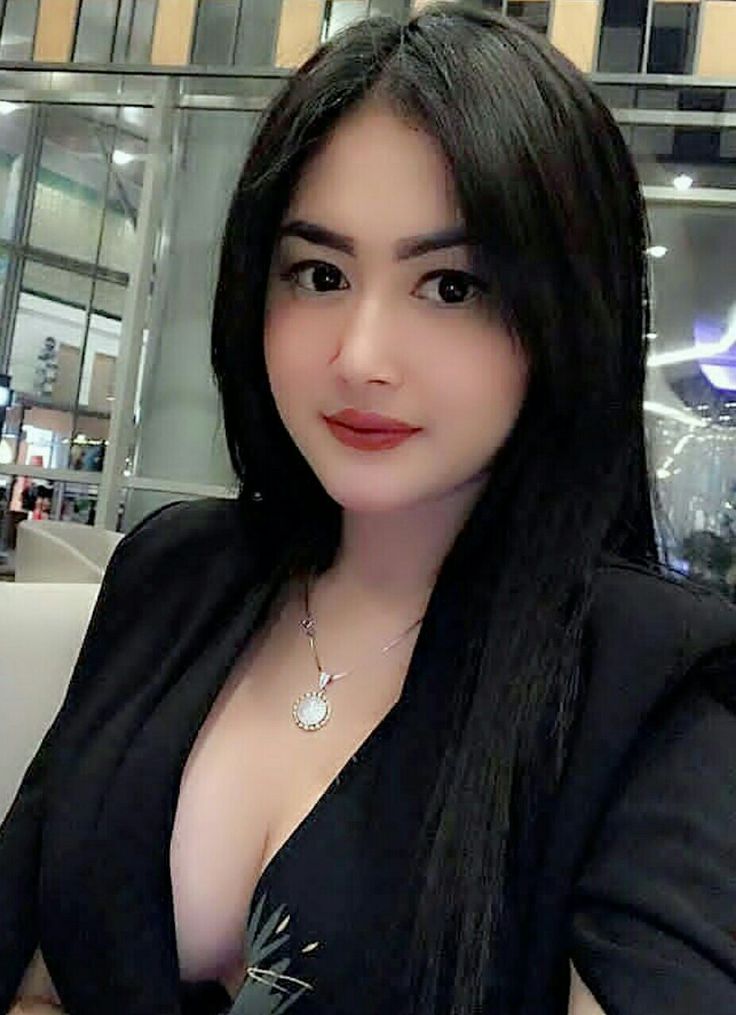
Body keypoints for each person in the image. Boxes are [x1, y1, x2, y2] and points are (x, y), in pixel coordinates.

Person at [2, 4, 736, 1014]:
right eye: (320, 275)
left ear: (570, 314)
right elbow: (37, 967)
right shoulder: (173, 575)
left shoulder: (657, 687)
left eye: (451, 287)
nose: (360, 357)